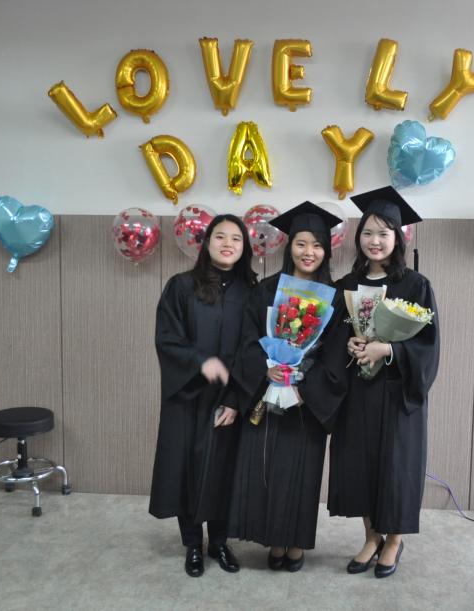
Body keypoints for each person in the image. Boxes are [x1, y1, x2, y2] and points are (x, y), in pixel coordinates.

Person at [327, 185, 440, 579]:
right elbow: (334, 337)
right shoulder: (346, 285)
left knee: (395, 468)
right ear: (359, 237)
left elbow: (428, 345)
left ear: (397, 238)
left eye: (384, 233)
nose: (375, 241)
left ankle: (394, 540)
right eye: (368, 232)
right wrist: (350, 343)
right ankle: (371, 536)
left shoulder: (415, 284)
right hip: (359, 393)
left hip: (396, 394)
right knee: (361, 465)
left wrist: (388, 350)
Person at [228, 201, 348, 572]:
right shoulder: (266, 291)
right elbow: (247, 339)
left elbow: (335, 355)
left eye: (317, 245)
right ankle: (274, 541)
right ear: (289, 246)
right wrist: (268, 369)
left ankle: (295, 544)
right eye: (301, 243)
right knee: (267, 468)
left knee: (301, 472)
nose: (309, 252)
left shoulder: (335, 297)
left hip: (306, 402)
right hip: (267, 394)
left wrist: (302, 382)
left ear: (326, 250)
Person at [149, 214, 256, 577]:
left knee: (225, 471)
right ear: (207, 243)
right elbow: (167, 337)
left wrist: (237, 400)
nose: (228, 244)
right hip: (188, 396)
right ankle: (193, 544)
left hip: (229, 398)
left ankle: (220, 542)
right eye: (220, 237)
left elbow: (253, 350)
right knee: (187, 471)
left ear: (244, 248)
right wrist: (200, 361)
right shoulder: (181, 286)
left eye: (236, 239)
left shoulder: (251, 292)